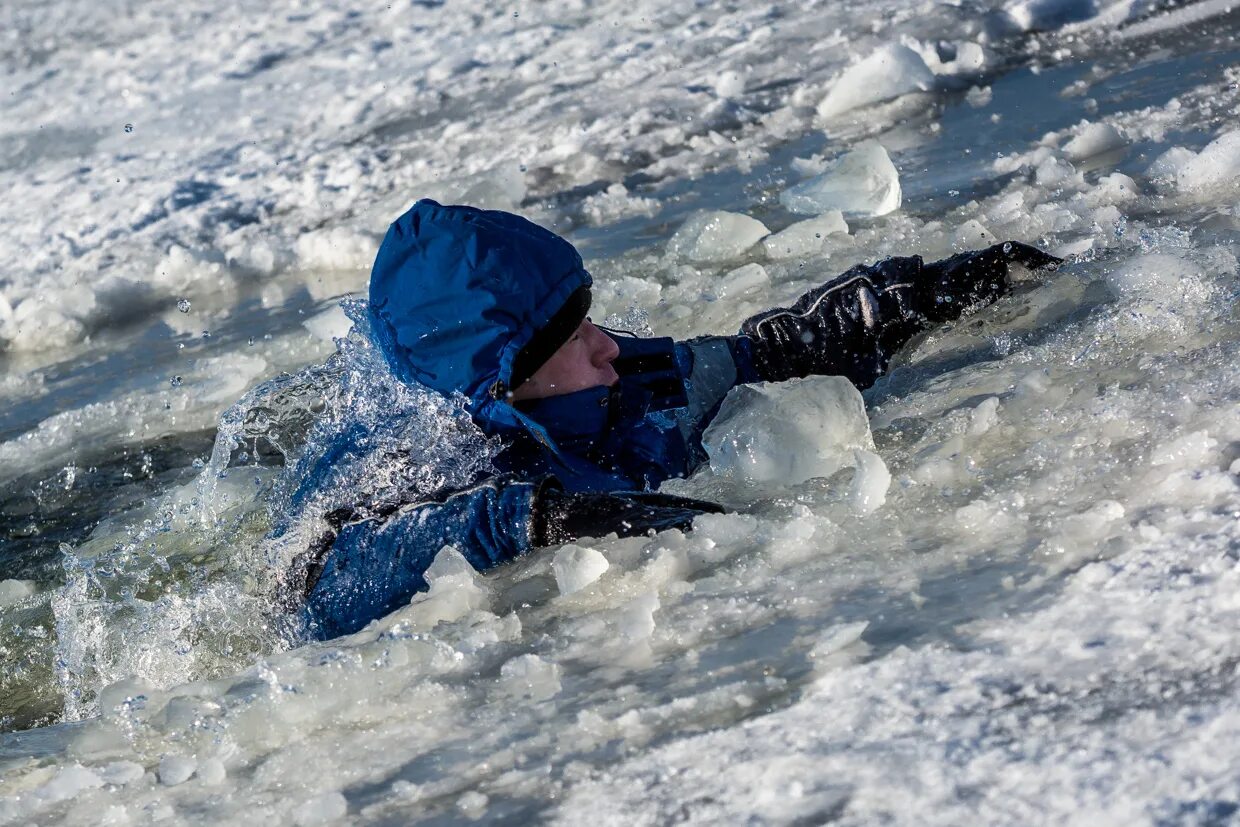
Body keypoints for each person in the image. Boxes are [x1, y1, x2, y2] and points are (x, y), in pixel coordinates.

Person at [297, 198, 1060, 638]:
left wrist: (902, 298)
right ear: (503, 385)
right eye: (570, 338)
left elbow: (761, 355)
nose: (604, 346)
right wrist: (538, 518)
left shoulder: (612, 382)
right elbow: (321, 584)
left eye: (587, 318)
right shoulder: (416, 460)